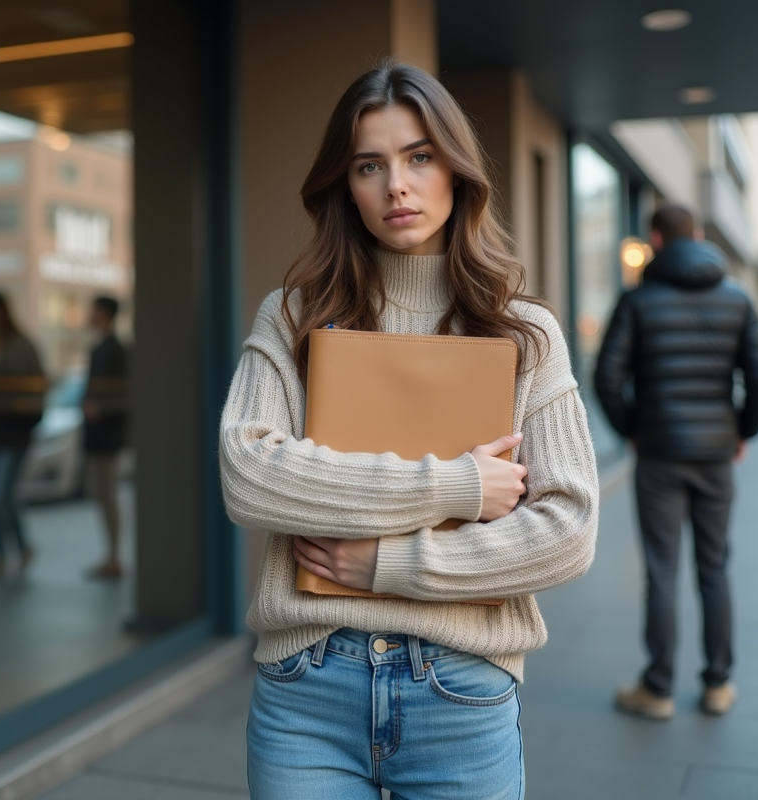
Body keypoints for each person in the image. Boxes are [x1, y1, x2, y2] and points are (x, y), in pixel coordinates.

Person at [219, 62, 599, 799]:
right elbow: (248, 472)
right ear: (346, 186)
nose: (397, 184)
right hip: (307, 689)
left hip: (460, 692)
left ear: (456, 170)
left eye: (420, 157)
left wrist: (384, 565)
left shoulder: (526, 333)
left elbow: (569, 528)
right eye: (370, 165)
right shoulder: (293, 316)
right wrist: (455, 483)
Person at [594, 204, 758, 720]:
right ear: (696, 236)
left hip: (658, 452)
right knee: (714, 566)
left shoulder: (637, 301)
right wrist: (743, 431)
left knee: (661, 568)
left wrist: (632, 428)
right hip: (716, 451)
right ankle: (718, 684)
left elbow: (608, 377)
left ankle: (659, 689)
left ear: (654, 239)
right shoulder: (736, 299)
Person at [0, 291, 45, 577]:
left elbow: (33, 388)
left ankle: (21, 547)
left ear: (1, 311)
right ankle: (3, 557)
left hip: (12, 432)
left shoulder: (20, 345)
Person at [82, 295, 130, 579]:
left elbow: (122, 393)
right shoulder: (100, 346)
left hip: (107, 433)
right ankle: (111, 555)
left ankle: (114, 557)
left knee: (107, 494)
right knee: (100, 493)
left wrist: (100, 407)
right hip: (98, 433)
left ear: (102, 313)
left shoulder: (114, 349)